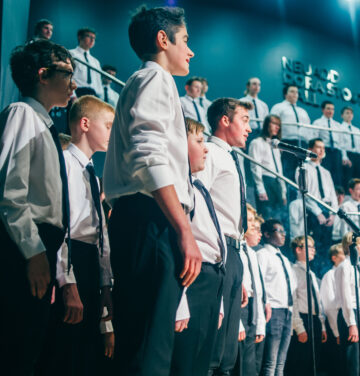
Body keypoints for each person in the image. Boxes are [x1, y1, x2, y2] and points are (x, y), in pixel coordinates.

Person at [102, 7, 201, 374]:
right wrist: (184, 229)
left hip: (138, 220)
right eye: (186, 40)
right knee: (150, 352)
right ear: (164, 39)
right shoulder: (155, 79)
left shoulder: (141, 81)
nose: (191, 51)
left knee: (140, 347)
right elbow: (149, 156)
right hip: (151, 222)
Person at [0, 39, 76, 374]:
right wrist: (34, 252)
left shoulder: (43, 123)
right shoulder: (23, 113)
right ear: (43, 74)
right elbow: (10, 190)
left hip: (38, 243)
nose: (73, 83)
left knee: (27, 347)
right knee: (13, 348)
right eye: (67, 73)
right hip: (24, 245)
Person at [36, 95, 114, 375]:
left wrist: (106, 284)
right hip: (72, 261)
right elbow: (62, 227)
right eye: (107, 125)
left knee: (85, 355)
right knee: (64, 352)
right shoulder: (65, 164)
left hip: (90, 262)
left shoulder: (92, 174)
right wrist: (67, 282)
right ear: (84, 124)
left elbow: (100, 233)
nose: (111, 133)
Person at [197, 97, 253, 376]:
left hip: (234, 252)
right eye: (245, 120)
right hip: (218, 250)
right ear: (225, 120)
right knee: (213, 346)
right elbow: (198, 202)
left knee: (228, 348)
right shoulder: (208, 151)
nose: (249, 128)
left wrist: (237, 268)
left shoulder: (231, 157)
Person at [171, 118, 226, 376]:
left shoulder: (200, 187)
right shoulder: (179, 189)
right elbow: (178, 247)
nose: (206, 149)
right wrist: (181, 300)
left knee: (202, 363)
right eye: (200, 141)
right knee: (186, 360)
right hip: (193, 280)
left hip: (211, 279)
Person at [257, 219, 297, 376]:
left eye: (284, 232)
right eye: (279, 231)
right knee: (270, 361)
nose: (283, 235)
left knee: (281, 362)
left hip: (287, 310)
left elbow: (291, 285)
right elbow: (260, 284)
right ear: (267, 234)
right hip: (273, 310)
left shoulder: (284, 259)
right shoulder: (263, 254)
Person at [336, 232, 360, 376]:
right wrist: (351, 323)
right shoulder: (344, 267)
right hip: (351, 315)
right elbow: (345, 297)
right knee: (353, 364)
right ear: (351, 246)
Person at [286, 235, 327, 376]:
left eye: (314, 247)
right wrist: (299, 328)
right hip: (303, 320)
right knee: (300, 364)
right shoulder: (293, 271)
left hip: (315, 321)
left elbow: (318, 302)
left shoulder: (312, 273)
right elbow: (293, 300)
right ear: (298, 249)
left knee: (313, 364)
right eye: (310, 247)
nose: (314, 250)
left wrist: (322, 325)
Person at [235, 204, 268, 376]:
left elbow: (259, 290)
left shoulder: (252, 253)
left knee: (251, 365)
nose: (251, 224)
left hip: (252, 310)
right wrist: (237, 321)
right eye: (248, 220)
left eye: (252, 221)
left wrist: (260, 324)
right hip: (238, 307)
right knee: (237, 363)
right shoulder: (235, 247)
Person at [298, 138, 338, 254]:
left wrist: (333, 213)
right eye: (318, 147)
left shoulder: (326, 172)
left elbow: (332, 195)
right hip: (313, 211)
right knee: (315, 245)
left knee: (327, 247)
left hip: (327, 210)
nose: (322, 150)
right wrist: (318, 213)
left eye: (323, 148)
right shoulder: (303, 169)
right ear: (310, 149)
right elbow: (304, 194)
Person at [248, 114, 286, 221]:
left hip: (277, 182)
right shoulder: (257, 142)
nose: (277, 127)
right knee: (266, 217)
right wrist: (260, 189)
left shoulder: (276, 146)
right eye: (274, 123)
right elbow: (255, 167)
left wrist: (283, 191)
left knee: (279, 217)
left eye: (279, 125)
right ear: (266, 125)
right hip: (265, 181)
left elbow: (280, 169)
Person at [270, 84, 312, 180]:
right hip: (287, 142)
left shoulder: (303, 111)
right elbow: (273, 124)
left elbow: (308, 129)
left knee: (302, 170)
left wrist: (309, 144)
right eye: (292, 91)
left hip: (302, 144)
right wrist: (276, 141)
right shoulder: (278, 107)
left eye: (296, 92)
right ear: (285, 94)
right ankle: (288, 193)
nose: (295, 94)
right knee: (288, 169)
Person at [320, 243, 345, 376]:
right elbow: (329, 307)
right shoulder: (329, 275)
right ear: (334, 257)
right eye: (342, 253)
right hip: (336, 327)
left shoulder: (347, 272)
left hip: (347, 325)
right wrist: (336, 332)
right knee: (338, 365)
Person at [315, 101, 348, 186]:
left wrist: (344, 156)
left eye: (332, 109)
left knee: (337, 175)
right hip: (324, 151)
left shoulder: (337, 125)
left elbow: (342, 143)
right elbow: (314, 139)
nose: (330, 111)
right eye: (328, 108)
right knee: (325, 173)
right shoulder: (317, 123)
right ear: (323, 109)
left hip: (336, 153)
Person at [69, 27, 103, 96]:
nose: (92, 40)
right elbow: (68, 77)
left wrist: (100, 98)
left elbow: (98, 83)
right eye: (89, 36)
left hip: (92, 94)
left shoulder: (95, 61)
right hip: (77, 91)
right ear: (80, 37)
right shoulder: (71, 54)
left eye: (94, 38)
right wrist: (72, 95)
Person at [341, 107, 360, 186]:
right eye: (347, 113)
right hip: (348, 154)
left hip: (357, 156)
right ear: (342, 115)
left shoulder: (357, 130)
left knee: (359, 178)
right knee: (348, 178)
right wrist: (345, 157)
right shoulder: (340, 127)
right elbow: (341, 144)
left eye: (351, 113)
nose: (349, 115)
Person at [240, 77, 269, 144]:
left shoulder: (263, 105)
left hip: (262, 134)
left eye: (259, 85)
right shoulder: (241, 102)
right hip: (248, 132)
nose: (257, 86)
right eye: (254, 84)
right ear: (248, 86)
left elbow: (266, 122)